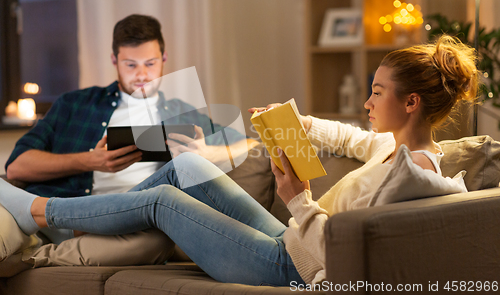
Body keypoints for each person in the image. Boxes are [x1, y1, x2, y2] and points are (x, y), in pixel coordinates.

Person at [0, 35, 479, 285]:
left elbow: (336, 264)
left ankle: (39, 212)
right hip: (292, 241)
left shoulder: (413, 177)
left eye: (377, 92)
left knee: (165, 200)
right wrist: (291, 121)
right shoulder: (391, 147)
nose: (368, 103)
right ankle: (82, 222)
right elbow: (344, 136)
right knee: (187, 167)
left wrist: (298, 198)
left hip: (291, 267)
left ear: (411, 102)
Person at [3, 14, 257, 265]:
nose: (142, 75)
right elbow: (16, 167)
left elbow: (250, 143)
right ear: (114, 60)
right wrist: (89, 161)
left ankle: (32, 258)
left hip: (129, 225)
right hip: (63, 217)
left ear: (164, 60)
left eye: (150, 63)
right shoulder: (75, 104)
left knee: (159, 238)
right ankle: (41, 226)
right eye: (131, 65)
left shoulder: (182, 113)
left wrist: (207, 154)